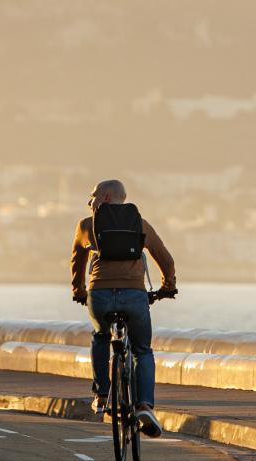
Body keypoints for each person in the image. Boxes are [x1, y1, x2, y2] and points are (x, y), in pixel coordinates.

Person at [70, 179, 176, 438]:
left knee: (101, 336)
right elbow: (165, 257)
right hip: (134, 295)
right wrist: (167, 286)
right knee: (142, 350)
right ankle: (144, 405)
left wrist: (79, 291)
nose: (89, 200)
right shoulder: (139, 224)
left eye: (92, 195)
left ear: (105, 197)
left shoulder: (86, 225)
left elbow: (77, 262)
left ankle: (102, 394)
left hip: (100, 295)